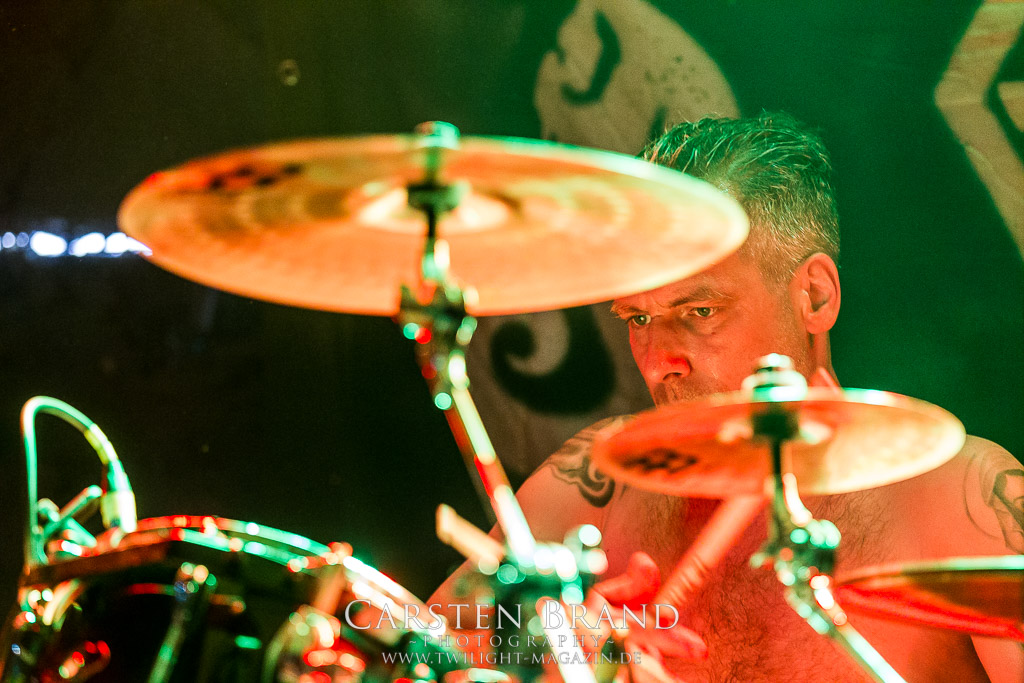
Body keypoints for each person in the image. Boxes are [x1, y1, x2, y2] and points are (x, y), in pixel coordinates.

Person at [430, 113, 1024, 682]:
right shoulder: (601, 481)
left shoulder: (958, 496)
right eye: (638, 318)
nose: (658, 360)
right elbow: (410, 648)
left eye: (700, 311)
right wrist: (547, 642)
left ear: (815, 296)